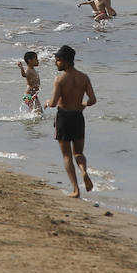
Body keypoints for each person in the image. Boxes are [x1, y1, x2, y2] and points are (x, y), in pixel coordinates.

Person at [47, 45, 96, 198]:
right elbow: (92, 100)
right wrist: (83, 105)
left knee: (67, 156)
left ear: (67, 62)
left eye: (58, 60)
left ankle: (76, 189)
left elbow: (54, 103)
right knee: (79, 153)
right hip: (78, 117)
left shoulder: (60, 79)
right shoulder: (84, 77)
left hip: (64, 117)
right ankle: (83, 171)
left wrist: (47, 102)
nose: (56, 63)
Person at [18, 51, 42, 116]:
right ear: (30, 61)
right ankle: (31, 123)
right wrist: (21, 68)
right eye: (36, 59)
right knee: (37, 112)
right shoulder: (28, 70)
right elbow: (24, 75)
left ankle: (31, 123)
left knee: (39, 111)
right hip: (28, 95)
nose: (38, 60)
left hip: (33, 95)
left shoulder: (33, 70)